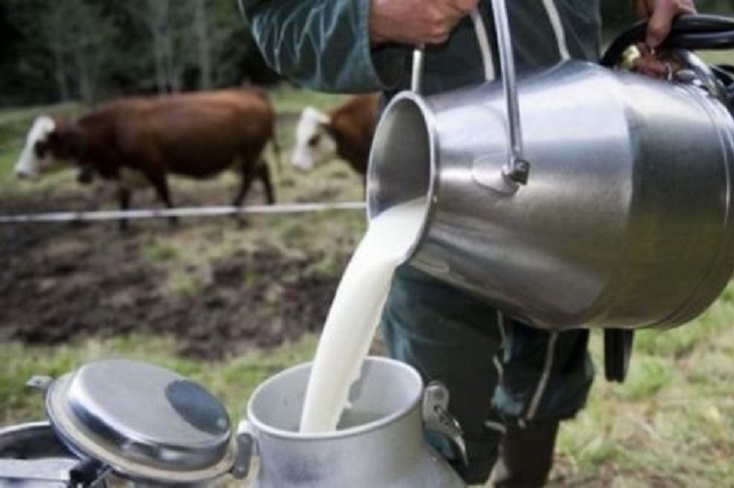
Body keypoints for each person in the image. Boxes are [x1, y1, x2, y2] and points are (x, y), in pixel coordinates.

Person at [240, 0, 695, 485]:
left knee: (546, 370)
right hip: (436, 180)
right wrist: (373, 17)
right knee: (440, 402)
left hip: (584, 163)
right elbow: (281, 19)